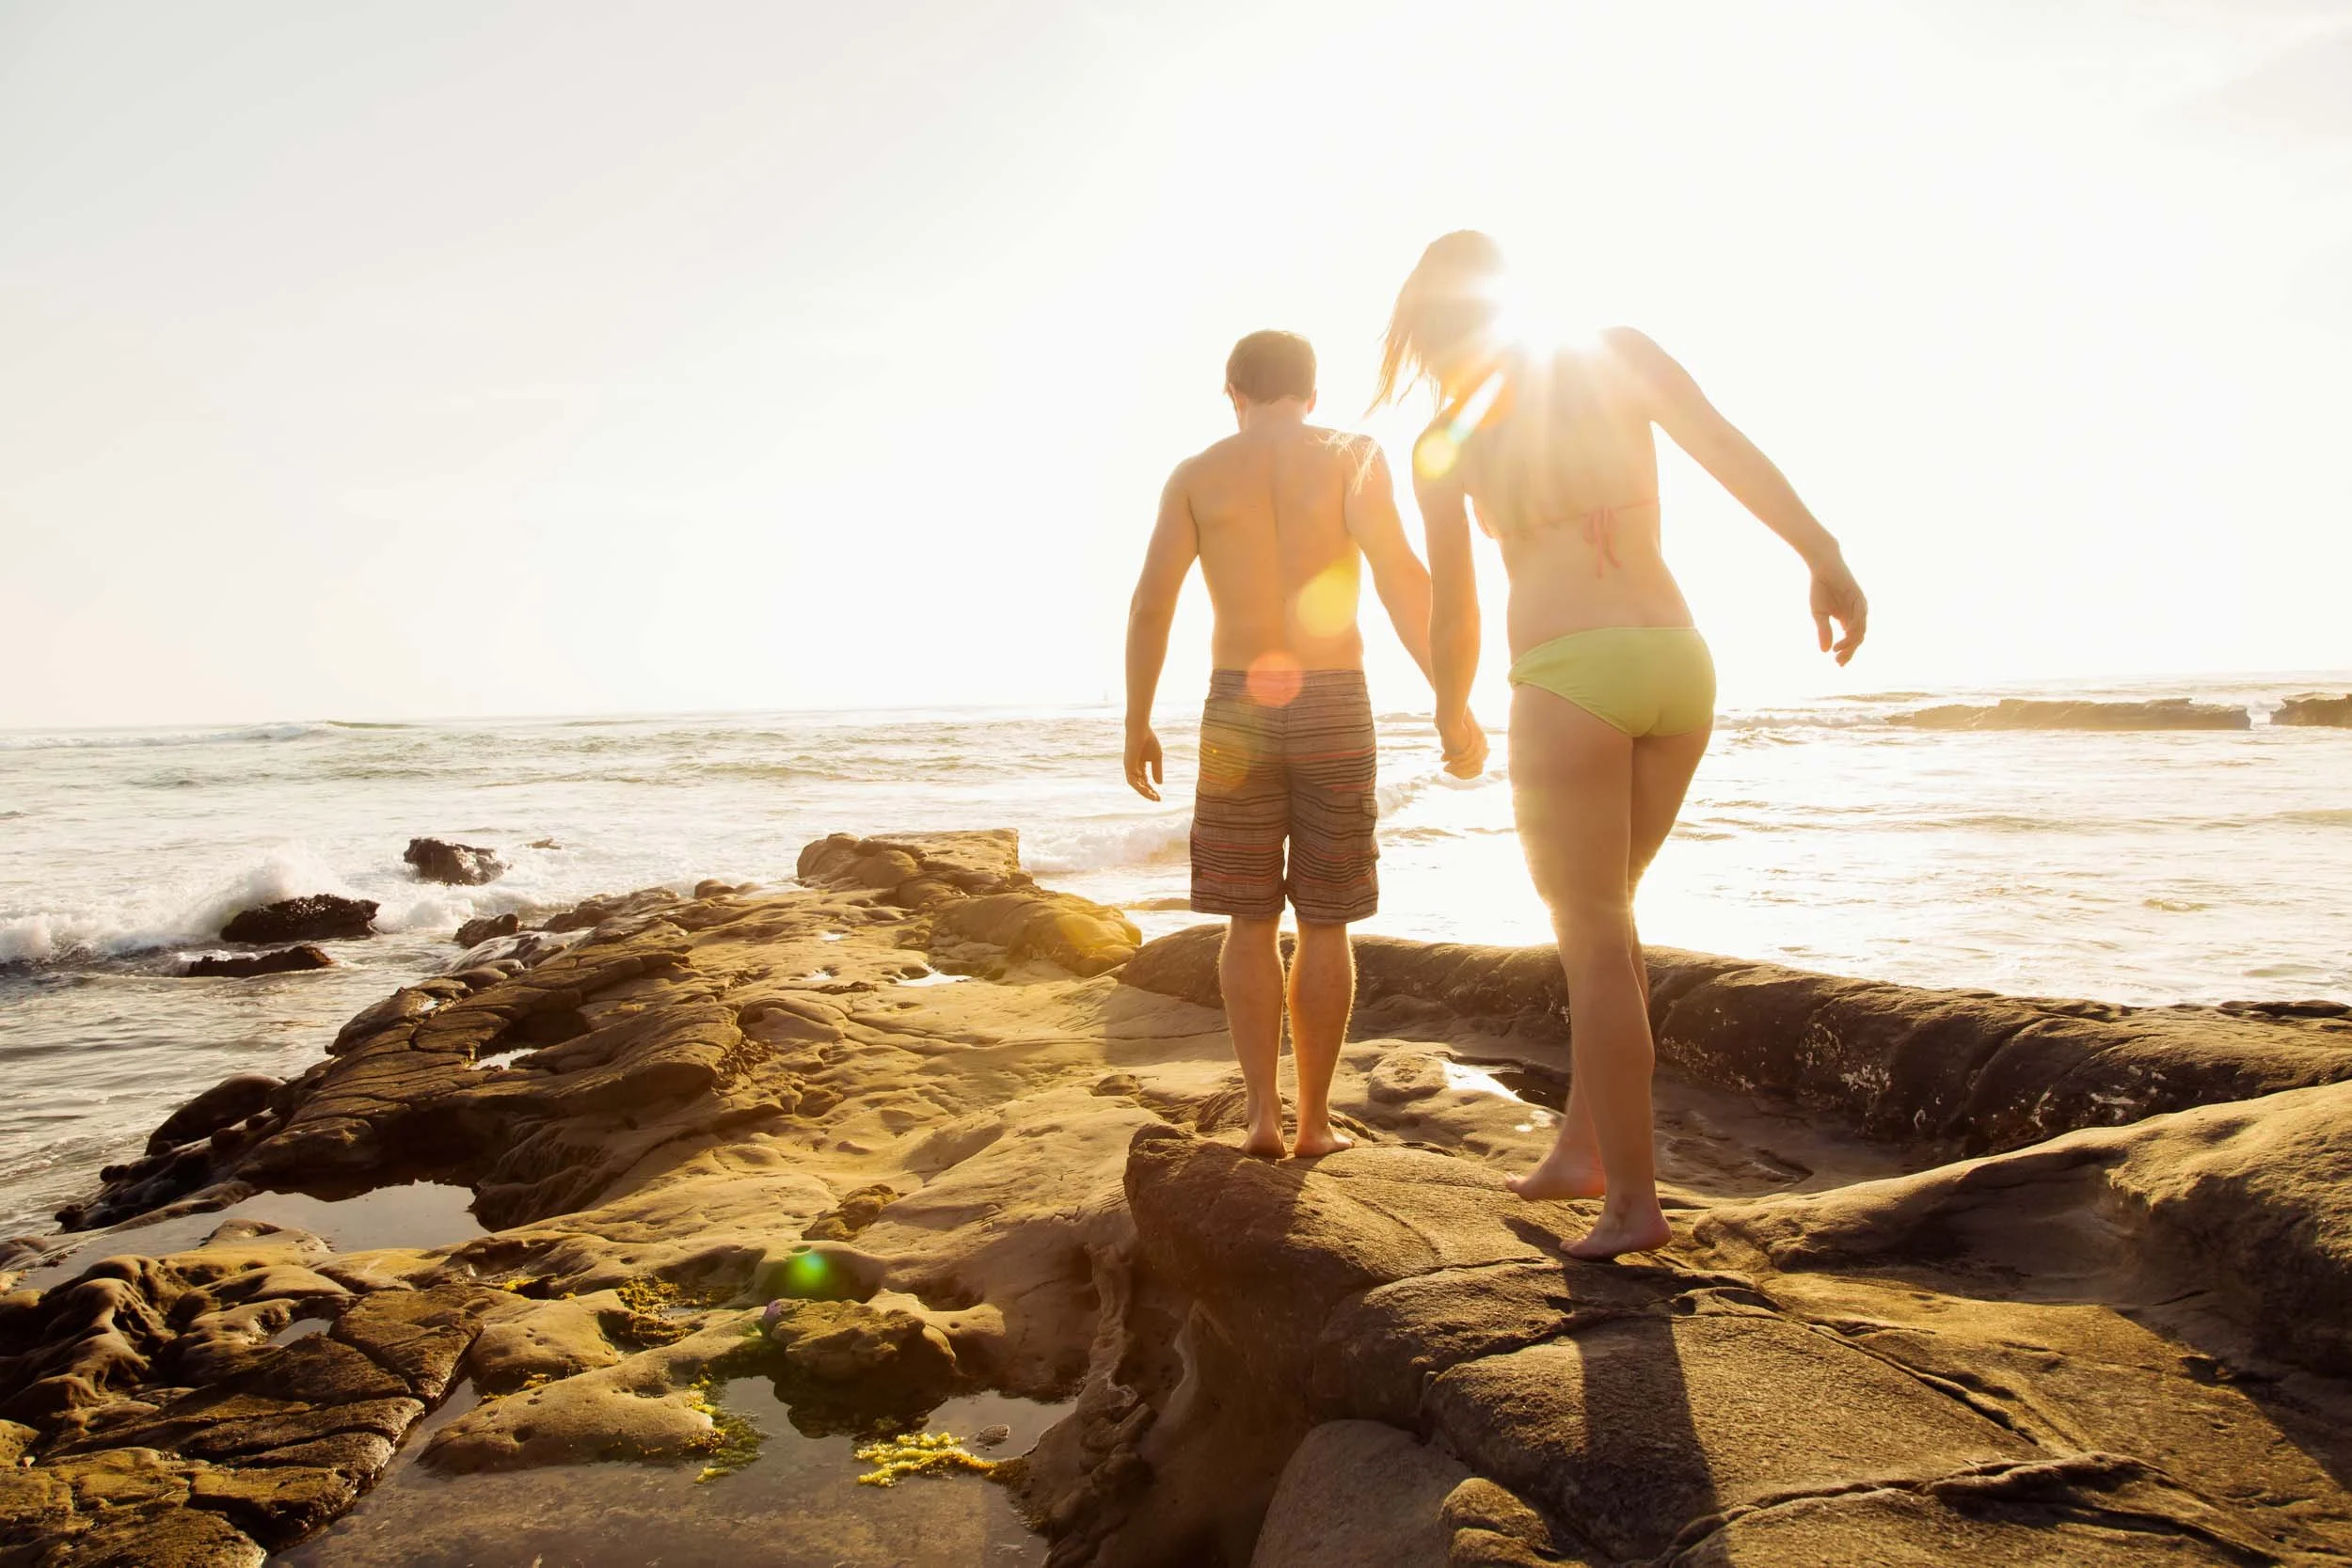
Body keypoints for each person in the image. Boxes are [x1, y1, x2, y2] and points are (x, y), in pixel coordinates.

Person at [1376, 230, 1867, 1259]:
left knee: (1590, 932)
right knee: (1612, 920)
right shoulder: (1617, 352)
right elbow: (1727, 449)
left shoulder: (1447, 437)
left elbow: (1457, 607)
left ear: (1425, 326)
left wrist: (1450, 707)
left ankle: (1633, 1202)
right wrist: (1821, 554)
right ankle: (1579, 1150)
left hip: (1567, 673)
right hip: (1679, 661)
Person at [1124, 329, 1457, 1160]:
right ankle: (1315, 1123)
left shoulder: (1198, 475)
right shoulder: (1353, 456)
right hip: (1335, 696)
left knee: (1248, 919)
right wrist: (1451, 695)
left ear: (1231, 390)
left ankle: (1261, 1119)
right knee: (1328, 919)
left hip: (1237, 701)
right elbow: (1401, 576)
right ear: (1311, 391)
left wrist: (1138, 719)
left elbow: (1150, 608)